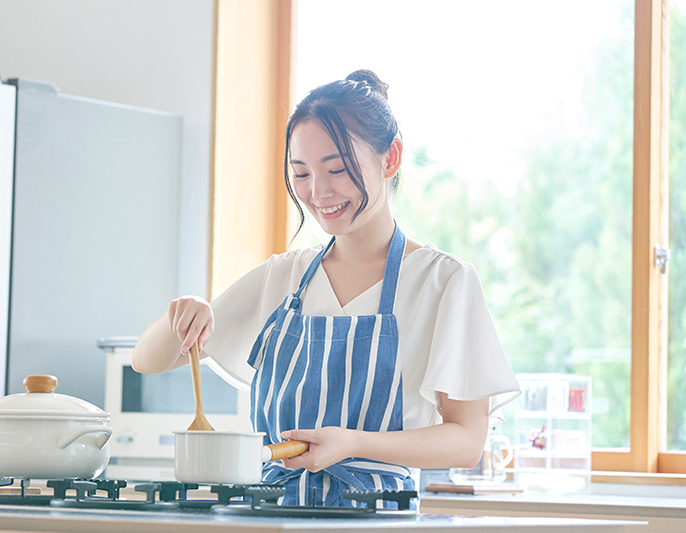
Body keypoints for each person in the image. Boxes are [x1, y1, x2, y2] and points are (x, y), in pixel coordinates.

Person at [132, 69, 520, 507]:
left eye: (336, 168)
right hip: (267, 513)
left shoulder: (442, 281)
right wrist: (182, 315)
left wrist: (354, 443)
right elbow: (147, 361)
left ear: (391, 158)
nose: (318, 192)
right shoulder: (284, 276)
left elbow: (466, 440)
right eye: (301, 173)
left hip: (375, 518)